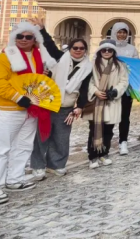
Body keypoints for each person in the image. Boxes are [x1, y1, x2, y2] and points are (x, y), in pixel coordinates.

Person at [0, 22, 58, 204]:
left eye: (28, 37)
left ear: (35, 39)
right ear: (14, 38)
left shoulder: (39, 56)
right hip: (10, 110)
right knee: (2, 149)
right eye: (20, 36)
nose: (23, 40)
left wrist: (44, 78)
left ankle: (15, 179)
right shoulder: (5, 57)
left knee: (24, 146)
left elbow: (37, 81)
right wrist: (18, 97)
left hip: (31, 109)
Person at [30, 20, 92, 180]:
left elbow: (84, 90)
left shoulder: (88, 68)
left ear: (85, 50)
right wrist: (42, 30)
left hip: (66, 107)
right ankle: (38, 166)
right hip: (48, 103)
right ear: (70, 49)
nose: (78, 50)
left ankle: (56, 165)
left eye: (81, 48)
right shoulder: (61, 58)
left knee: (61, 138)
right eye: (75, 48)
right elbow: (50, 45)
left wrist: (80, 107)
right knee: (42, 136)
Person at [83, 39, 129, 169]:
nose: (107, 52)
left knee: (108, 130)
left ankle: (104, 153)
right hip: (96, 102)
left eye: (109, 50)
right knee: (94, 130)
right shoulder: (92, 65)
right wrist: (95, 91)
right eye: (104, 49)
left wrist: (115, 91)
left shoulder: (120, 65)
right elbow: (88, 82)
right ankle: (93, 156)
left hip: (111, 102)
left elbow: (124, 81)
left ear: (113, 51)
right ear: (100, 51)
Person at [109, 22, 139, 156]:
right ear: (114, 32)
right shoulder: (109, 48)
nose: (122, 35)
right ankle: (106, 141)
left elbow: (136, 66)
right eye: (119, 32)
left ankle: (123, 141)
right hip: (111, 86)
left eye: (124, 32)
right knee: (109, 115)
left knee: (124, 116)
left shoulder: (132, 49)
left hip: (126, 87)